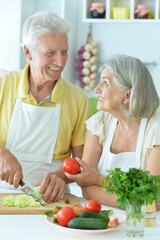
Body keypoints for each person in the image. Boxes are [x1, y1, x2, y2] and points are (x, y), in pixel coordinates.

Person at [0, 11, 92, 202]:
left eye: (64, 52)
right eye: (50, 53)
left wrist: (62, 175)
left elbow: (83, 162)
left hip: (52, 199)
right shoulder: (3, 84)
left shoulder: (78, 99)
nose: (59, 62)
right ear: (28, 52)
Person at [65, 54, 160, 209]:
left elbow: (154, 192)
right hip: (103, 218)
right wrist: (133, 203)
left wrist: (97, 180)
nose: (97, 89)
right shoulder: (98, 123)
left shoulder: (156, 126)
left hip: (145, 224)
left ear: (128, 95)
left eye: (105, 83)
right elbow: (86, 188)